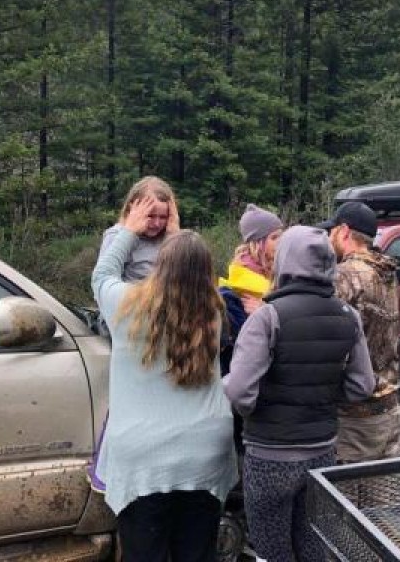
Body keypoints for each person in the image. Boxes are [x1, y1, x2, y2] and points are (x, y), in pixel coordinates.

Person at [91, 197, 237, 562]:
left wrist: (129, 228)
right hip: (206, 452)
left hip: (145, 460)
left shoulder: (126, 306)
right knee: (197, 554)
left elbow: (102, 273)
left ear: (160, 263)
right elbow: (189, 265)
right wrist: (180, 235)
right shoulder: (214, 312)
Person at [224, 225, 376, 562]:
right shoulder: (347, 316)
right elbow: (363, 385)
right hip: (321, 452)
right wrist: (322, 395)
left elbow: (239, 392)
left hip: (269, 456)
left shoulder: (267, 317)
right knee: (312, 545)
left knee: (272, 549)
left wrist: (253, 409)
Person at [88, 176, 179, 493]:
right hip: (128, 323)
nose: (155, 223)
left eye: (162, 216)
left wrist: (174, 234)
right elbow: (103, 279)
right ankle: (107, 466)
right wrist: (130, 229)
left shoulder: (169, 239)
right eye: (149, 215)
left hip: (164, 325)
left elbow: (180, 275)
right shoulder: (117, 236)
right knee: (129, 397)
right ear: (132, 209)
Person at [319, 201, 400, 462]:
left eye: (331, 232)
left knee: (345, 498)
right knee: (379, 499)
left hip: (356, 416)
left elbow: (329, 338)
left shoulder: (345, 276)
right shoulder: (387, 272)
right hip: (389, 406)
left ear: (343, 232)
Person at [218, 204, 283, 451]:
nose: (281, 242)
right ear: (256, 243)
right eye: (275, 237)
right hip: (249, 398)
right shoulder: (234, 291)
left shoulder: (275, 277)